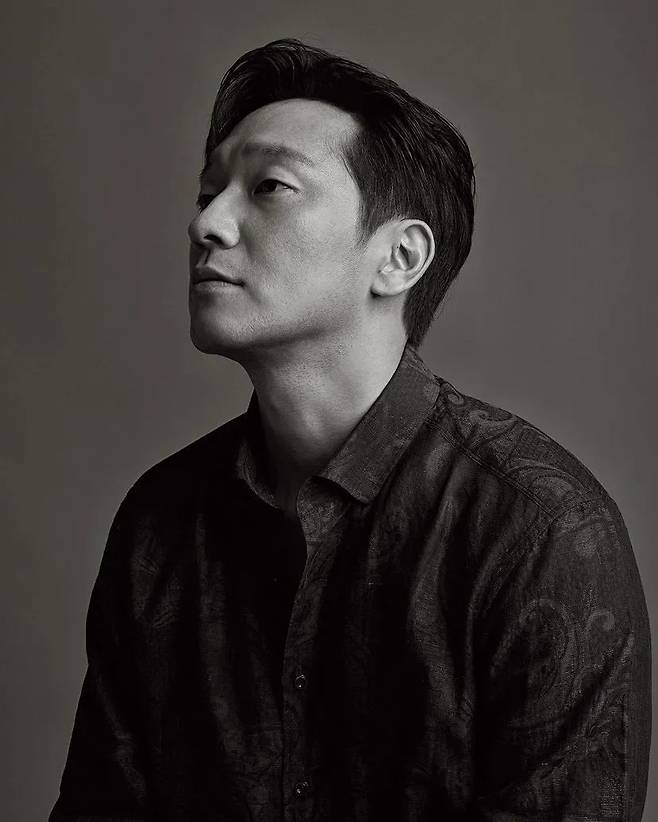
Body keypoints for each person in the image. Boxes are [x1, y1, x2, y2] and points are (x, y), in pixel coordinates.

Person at [49, 38, 651, 822]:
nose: (207, 224)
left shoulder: (538, 528)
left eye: (269, 186)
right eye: (206, 193)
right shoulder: (160, 522)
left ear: (399, 257)